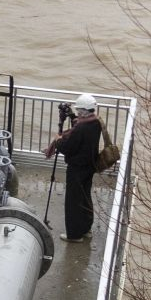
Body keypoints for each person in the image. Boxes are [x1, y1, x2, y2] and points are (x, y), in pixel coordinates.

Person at [43, 94, 109, 243]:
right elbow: (80, 128)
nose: (78, 113)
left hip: (77, 168)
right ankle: (86, 229)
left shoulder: (81, 128)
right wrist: (72, 116)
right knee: (85, 197)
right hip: (89, 166)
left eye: (79, 111)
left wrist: (59, 141)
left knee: (73, 201)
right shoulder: (96, 122)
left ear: (83, 111)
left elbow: (68, 148)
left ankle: (74, 235)